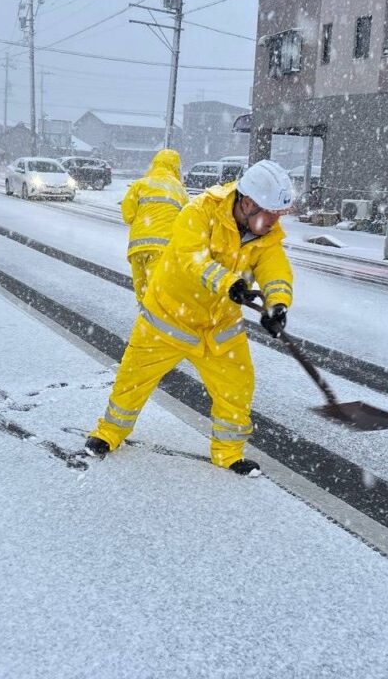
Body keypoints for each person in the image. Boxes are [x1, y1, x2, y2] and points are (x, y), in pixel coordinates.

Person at [85, 160, 295, 477]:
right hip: (168, 319)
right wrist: (230, 283)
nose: (274, 223)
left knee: (237, 388)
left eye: (279, 216)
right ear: (248, 203)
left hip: (219, 327)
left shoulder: (266, 233)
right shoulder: (199, 211)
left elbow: (274, 267)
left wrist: (278, 304)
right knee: (133, 380)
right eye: (270, 214)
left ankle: (228, 453)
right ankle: (108, 433)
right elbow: (190, 258)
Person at [120, 148, 189, 304]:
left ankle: (144, 323)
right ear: (175, 168)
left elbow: (128, 215)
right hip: (163, 249)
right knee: (157, 295)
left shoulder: (140, 185)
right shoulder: (180, 191)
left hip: (137, 248)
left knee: (142, 294)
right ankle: (155, 325)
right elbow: (187, 221)